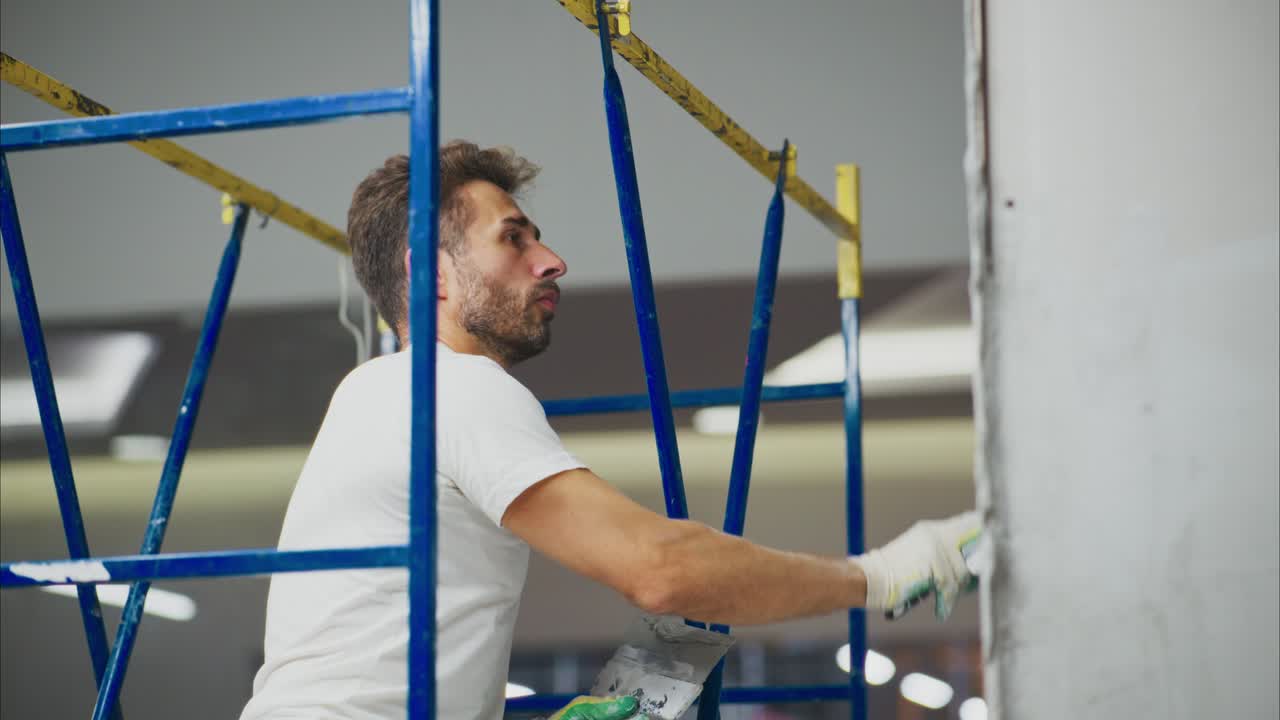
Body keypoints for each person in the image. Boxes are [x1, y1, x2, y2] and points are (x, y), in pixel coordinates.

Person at [239, 142, 981, 720]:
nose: (551, 260)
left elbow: (373, 667)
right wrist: (879, 572)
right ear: (431, 272)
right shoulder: (452, 386)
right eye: (514, 240)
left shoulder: (375, 390)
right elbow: (663, 571)